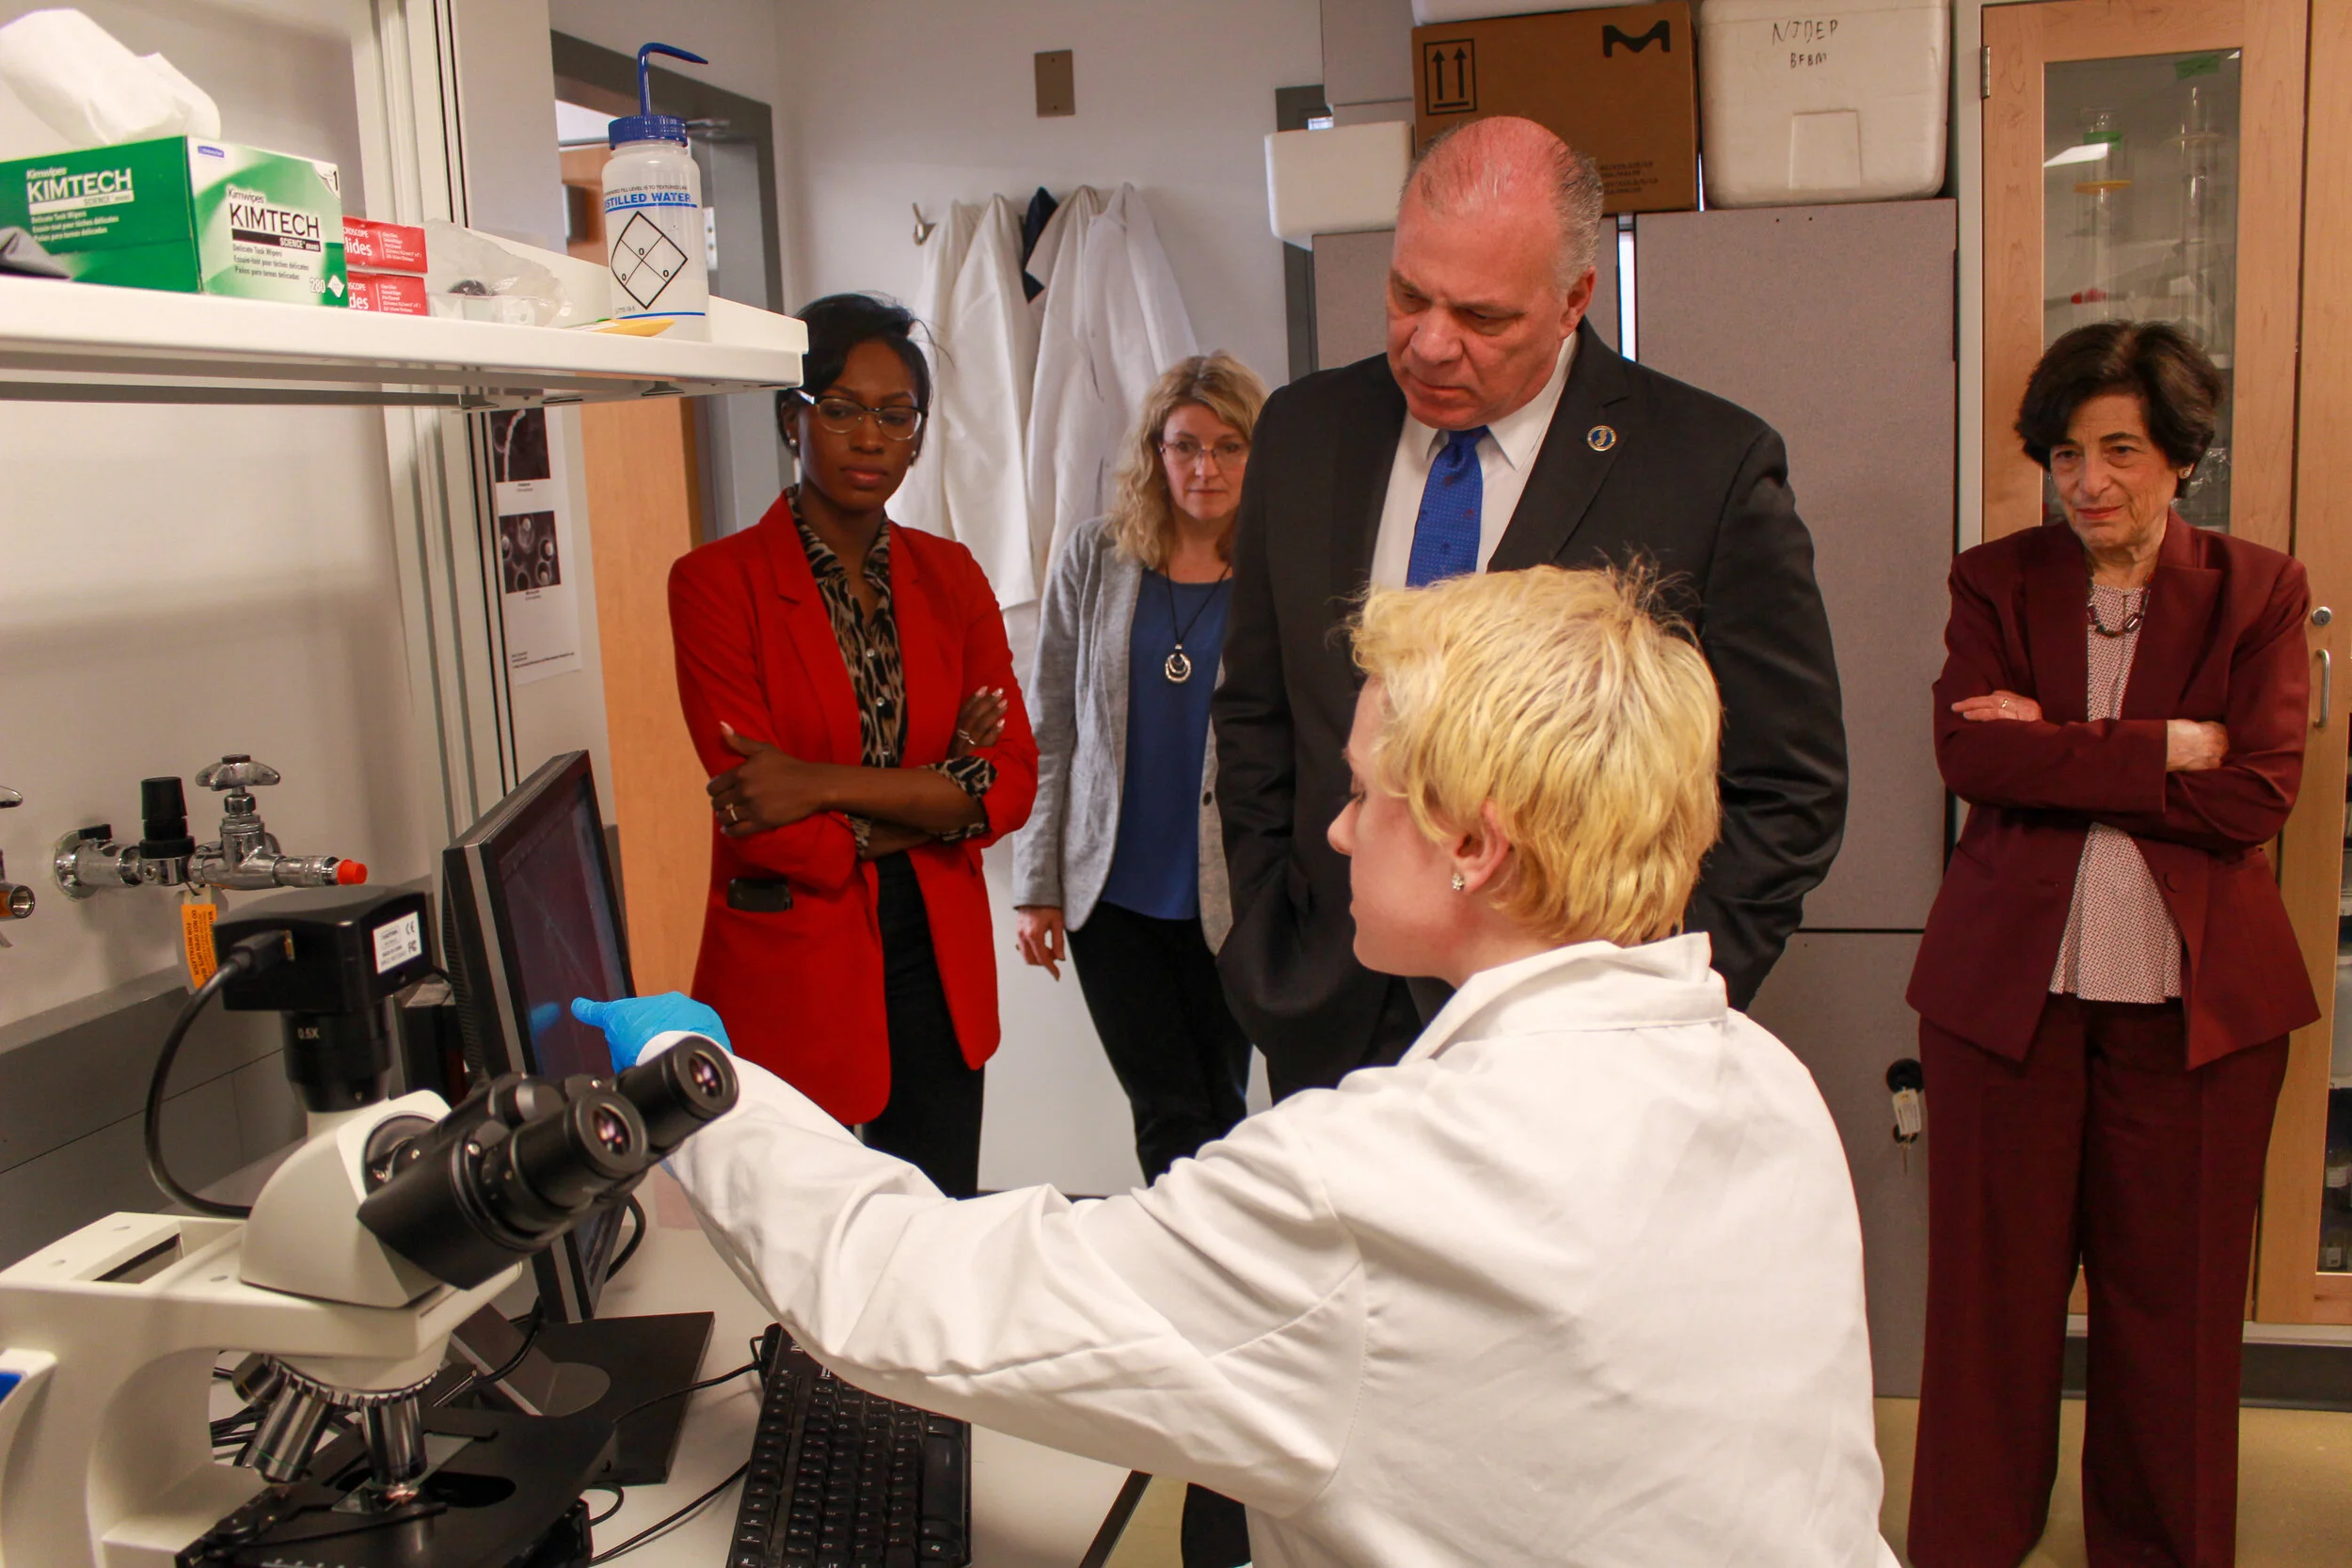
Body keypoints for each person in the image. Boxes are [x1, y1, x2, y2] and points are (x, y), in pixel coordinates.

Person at [575, 565, 1897, 1568]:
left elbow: (906, 1295)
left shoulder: (1382, 1184)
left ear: (1476, 846)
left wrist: (704, 1082)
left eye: (1370, 791)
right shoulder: (1764, 1081)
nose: (1333, 824)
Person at [1214, 114, 1846, 1100]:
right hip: (1326, 1007)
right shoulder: (1302, 432)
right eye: (1406, 295)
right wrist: (1265, 933)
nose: (1427, 344)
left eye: (1481, 317)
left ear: (1573, 299)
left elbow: (1788, 788)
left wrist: (1654, 1000)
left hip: (1575, 1046)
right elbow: (1255, 710)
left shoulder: (1705, 467)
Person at [1904, 321, 2318, 1568]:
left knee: (2176, 1320)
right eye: (2068, 452)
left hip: (2196, 1016)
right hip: (2003, 1008)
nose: (2090, 482)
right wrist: (2167, 744)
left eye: (2121, 449)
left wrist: (2064, 749)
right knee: (1989, 1313)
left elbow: (2259, 795)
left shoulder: (2261, 588)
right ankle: (1971, 1545)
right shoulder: (1996, 579)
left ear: (2181, 455)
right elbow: (1970, 755)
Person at [667, 293, 1039, 1198]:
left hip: (935, 959)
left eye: (895, 415)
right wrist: (932, 795)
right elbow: (765, 818)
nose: (869, 437)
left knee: (932, 1228)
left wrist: (821, 782)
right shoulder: (717, 585)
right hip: (794, 964)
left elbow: (1009, 784)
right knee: (802, 1249)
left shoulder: (950, 577)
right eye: (840, 409)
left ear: (917, 435)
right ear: (792, 418)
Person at [1013, 353, 1267, 1184]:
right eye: (1186, 445)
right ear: (1155, 452)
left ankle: (1216, 1274)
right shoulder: (1097, 557)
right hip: (1109, 895)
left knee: (1223, 1102)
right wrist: (1036, 883)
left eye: (1229, 447)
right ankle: (1194, 1275)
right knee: (1167, 1107)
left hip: (1229, 892)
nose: (1206, 468)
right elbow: (1048, 724)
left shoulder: (1274, 568)